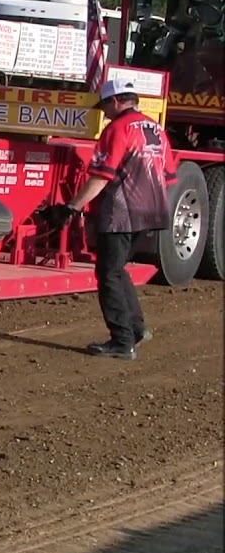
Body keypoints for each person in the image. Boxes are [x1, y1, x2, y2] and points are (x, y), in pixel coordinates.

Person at [41, 79, 178, 360]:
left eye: (104, 105)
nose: (104, 112)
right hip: (152, 212)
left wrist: (71, 207)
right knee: (117, 269)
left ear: (115, 101)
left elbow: (102, 176)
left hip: (121, 213)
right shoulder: (156, 129)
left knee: (108, 274)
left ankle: (122, 341)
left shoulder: (117, 129)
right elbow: (170, 177)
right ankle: (136, 330)